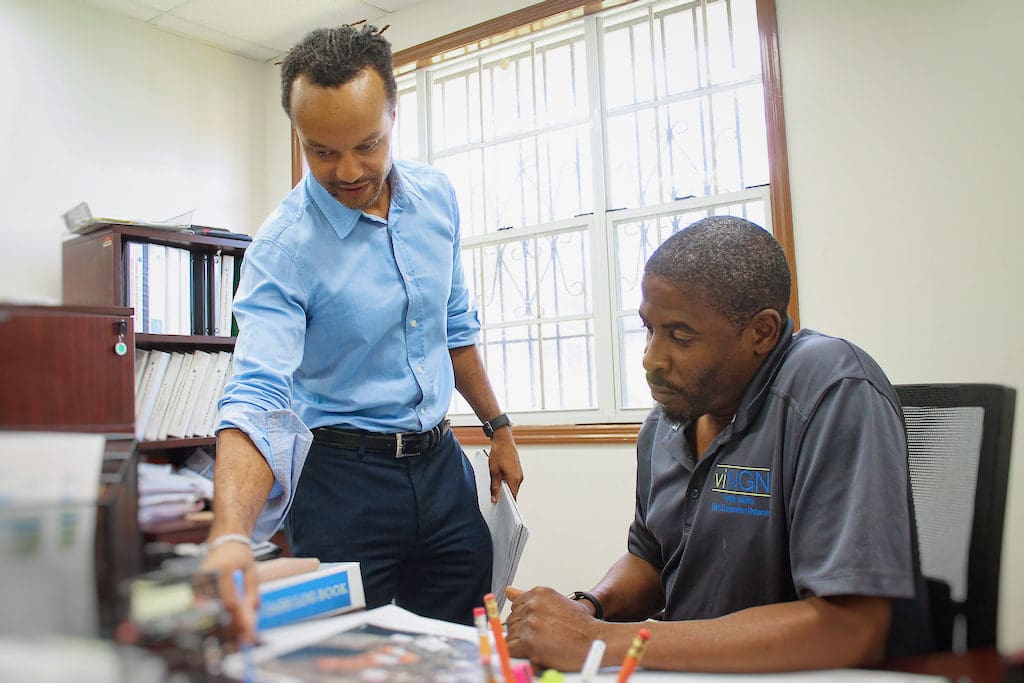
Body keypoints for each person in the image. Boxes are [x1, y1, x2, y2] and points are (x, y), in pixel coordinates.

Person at [201, 24, 523, 638]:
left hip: (441, 467)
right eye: (320, 150)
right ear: (297, 135)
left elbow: (453, 328)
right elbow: (258, 394)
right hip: (342, 481)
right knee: (345, 655)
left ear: (393, 115)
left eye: (367, 144)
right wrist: (229, 536)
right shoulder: (282, 249)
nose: (347, 171)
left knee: (462, 641)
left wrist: (497, 427)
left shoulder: (437, 199)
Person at [504, 216, 931, 672]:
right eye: (649, 328)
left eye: (681, 336)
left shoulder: (832, 389)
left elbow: (848, 628)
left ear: (762, 333)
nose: (651, 359)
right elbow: (650, 561)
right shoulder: (669, 421)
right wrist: (588, 608)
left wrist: (601, 641)